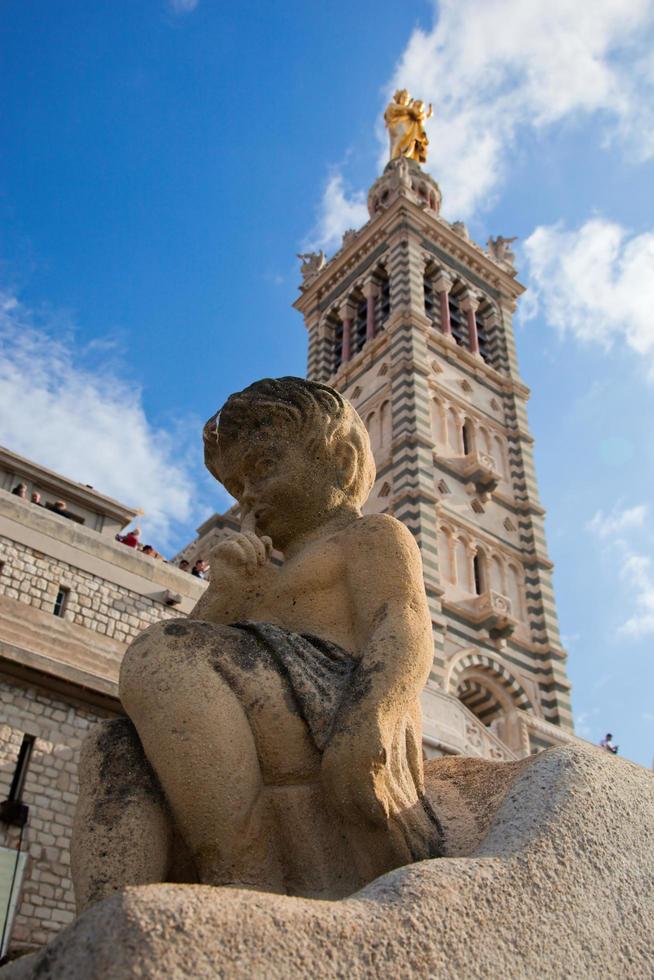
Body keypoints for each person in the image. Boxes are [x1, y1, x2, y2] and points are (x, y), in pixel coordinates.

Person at [72, 377, 441, 911]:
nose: (249, 494)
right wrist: (227, 593)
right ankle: (109, 922)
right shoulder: (262, 572)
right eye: (238, 484)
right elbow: (182, 672)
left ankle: (245, 880)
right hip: (264, 701)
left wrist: (371, 719)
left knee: (163, 653)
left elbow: (402, 628)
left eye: (263, 468)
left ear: (338, 459)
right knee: (112, 746)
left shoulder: (370, 536)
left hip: (329, 699)